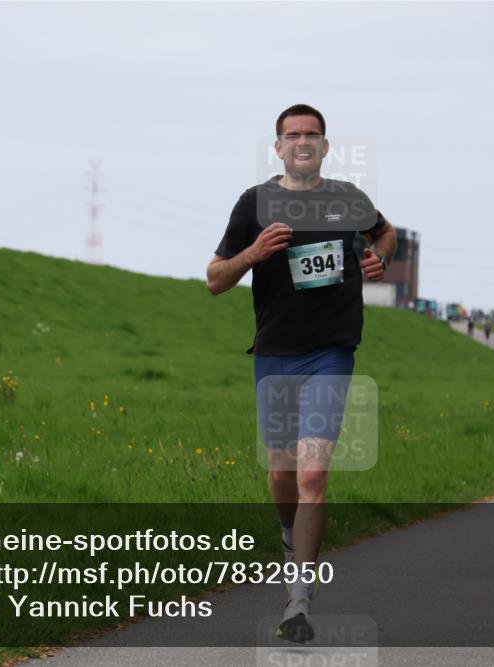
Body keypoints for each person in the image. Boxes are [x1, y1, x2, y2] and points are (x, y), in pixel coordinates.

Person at [207, 104, 396, 644]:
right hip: (275, 352)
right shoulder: (255, 203)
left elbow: (386, 235)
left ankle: (299, 597)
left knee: (314, 473)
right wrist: (253, 252)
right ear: (279, 147)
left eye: (312, 134)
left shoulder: (347, 199)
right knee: (282, 473)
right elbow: (214, 280)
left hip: (331, 351)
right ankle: (290, 537)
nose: (303, 142)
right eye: (293, 135)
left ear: (326, 145)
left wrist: (378, 258)